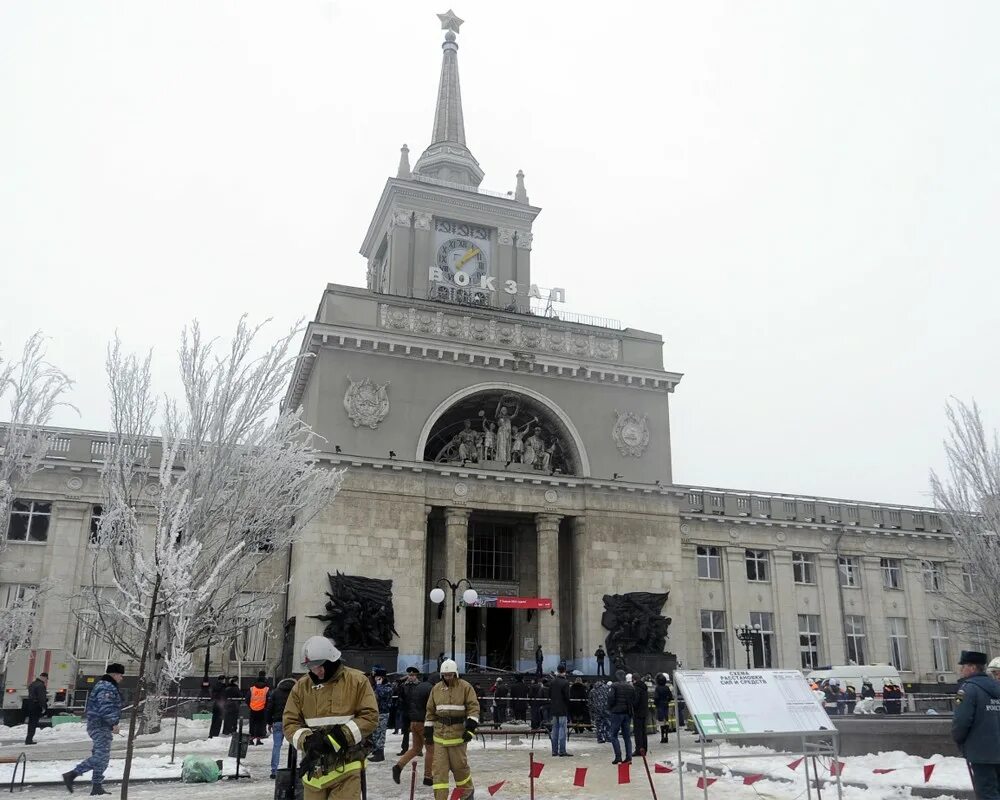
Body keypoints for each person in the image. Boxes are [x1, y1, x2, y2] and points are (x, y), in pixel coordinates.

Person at [283, 636, 378, 800]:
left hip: (347, 767)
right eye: (311, 667)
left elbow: (369, 717)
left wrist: (337, 738)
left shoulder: (357, 681)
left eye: (319, 666)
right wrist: (307, 740)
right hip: (314, 772)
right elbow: (290, 723)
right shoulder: (301, 687)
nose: (315, 671)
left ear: (331, 660)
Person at [62, 663, 125, 796]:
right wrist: (113, 723)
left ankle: (97, 786)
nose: (122, 678)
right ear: (114, 674)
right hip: (100, 725)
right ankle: (72, 774)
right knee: (101, 757)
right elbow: (105, 707)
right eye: (121, 675)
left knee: (101, 756)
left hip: (100, 724)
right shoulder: (106, 687)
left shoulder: (106, 685)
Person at [425, 658, 479, 800]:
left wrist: (470, 728)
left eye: (450, 674)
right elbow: (430, 711)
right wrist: (428, 731)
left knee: (461, 770)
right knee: (439, 773)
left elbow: (473, 708)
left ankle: (467, 795)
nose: (447, 677)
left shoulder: (465, 687)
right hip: (440, 737)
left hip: (458, 737)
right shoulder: (436, 689)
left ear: (455, 674)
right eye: (445, 675)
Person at [952, 650, 1000, 799]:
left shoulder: (965, 690)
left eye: (963, 666)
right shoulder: (996, 686)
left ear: (972, 668)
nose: (961, 670)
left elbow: (960, 721)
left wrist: (959, 740)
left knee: (986, 792)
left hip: (980, 752)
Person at [393, 668, 434, 787]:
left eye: (413, 675)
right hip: (423, 722)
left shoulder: (416, 688)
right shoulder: (428, 689)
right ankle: (428, 776)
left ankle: (398, 766)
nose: (411, 676)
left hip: (413, 721)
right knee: (431, 749)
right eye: (409, 675)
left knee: (416, 748)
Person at [267, 677, 295, 779]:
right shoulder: (296, 692)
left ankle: (274, 771)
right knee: (294, 745)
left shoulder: (275, 692)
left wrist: (269, 722)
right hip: (292, 722)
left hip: (278, 721)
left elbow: (270, 708)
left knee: (276, 746)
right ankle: (293, 767)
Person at [607, 669, 635, 765]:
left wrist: (610, 707)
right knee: (627, 736)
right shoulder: (630, 687)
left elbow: (610, 698)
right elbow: (633, 699)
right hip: (627, 713)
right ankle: (629, 757)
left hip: (616, 712)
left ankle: (618, 756)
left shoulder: (614, 686)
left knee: (613, 735)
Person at [548, 664, 572, 757]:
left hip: (554, 708)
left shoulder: (552, 681)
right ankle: (562, 750)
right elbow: (567, 697)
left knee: (554, 730)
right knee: (562, 729)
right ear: (564, 671)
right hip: (562, 709)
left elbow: (549, 694)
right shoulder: (565, 682)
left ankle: (554, 750)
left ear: (557, 670)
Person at [370, 666, 392, 761]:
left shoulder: (388, 687)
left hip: (383, 713)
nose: (374, 678)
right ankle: (375, 750)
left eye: (376, 677)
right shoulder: (376, 686)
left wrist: (378, 685)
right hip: (376, 712)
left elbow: (382, 694)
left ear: (380, 677)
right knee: (375, 733)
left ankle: (380, 754)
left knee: (380, 734)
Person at [247, 671, 270, 745]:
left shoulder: (252, 689)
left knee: (252, 724)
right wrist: (265, 707)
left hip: (253, 709)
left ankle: (251, 739)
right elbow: (268, 699)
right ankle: (258, 739)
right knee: (260, 724)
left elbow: (247, 699)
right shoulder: (266, 689)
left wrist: (250, 706)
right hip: (262, 710)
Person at [24, 672, 48, 745]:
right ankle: (29, 740)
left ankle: (28, 739)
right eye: (46, 679)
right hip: (36, 706)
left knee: (31, 722)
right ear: (44, 677)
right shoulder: (41, 685)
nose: (46, 680)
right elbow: (41, 698)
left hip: (30, 704)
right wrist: (44, 707)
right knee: (33, 723)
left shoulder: (33, 684)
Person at [631, 673, 649, 755]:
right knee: (643, 731)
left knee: (638, 732)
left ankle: (639, 749)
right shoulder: (644, 687)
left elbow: (636, 701)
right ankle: (644, 748)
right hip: (644, 712)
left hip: (638, 712)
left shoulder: (636, 688)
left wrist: (631, 705)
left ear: (633, 679)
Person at [653, 673, 673, 743]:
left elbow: (656, 697)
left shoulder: (657, 688)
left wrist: (655, 703)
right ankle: (666, 736)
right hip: (666, 705)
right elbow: (671, 697)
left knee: (661, 722)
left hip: (660, 706)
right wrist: (667, 700)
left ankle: (662, 737)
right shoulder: (667, 688)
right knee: (666, 721)